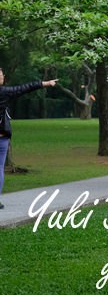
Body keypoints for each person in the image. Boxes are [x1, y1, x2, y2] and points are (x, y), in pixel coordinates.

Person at [1, 68, 59, 208]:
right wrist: (45, 83)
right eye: (1, 75)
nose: (2, 76)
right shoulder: (5, 92)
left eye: (2, 74)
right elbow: (25, 88)